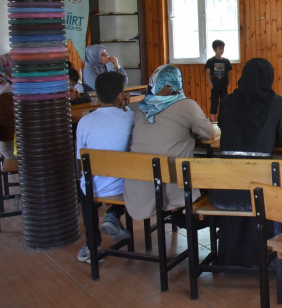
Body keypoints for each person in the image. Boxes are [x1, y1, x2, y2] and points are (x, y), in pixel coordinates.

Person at [209, 58, 282, 266]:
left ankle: (231, 255)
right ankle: (276, 255)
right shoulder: (276, 102)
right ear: (268, 77)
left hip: (225, 192)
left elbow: (225, 129)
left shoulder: (226, 102)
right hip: (263, 192)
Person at [123, 65, 214, 221]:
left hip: (138, 189)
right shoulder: (186, 105)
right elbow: (208, 133)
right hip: (173, 189)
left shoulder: (141, 108)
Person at [75, 71, 134, 263]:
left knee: (84, 187)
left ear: (97, 95)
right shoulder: (130, 118)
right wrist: (125, 109)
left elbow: (79, 161)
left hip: (94, 186)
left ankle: (93, 246)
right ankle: (112, 215)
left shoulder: (84, 122)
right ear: (121, 95)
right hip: (123, 189)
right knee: (130, 176)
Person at [205, 39, 233, 122]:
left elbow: (229, 73)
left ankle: (224, 119)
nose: (222, 50)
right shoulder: (210, 61)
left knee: (224, 102)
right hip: (215, 86)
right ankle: (214, 120)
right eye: (220, 48)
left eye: (223, 48)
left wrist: (228, 83)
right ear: (214, 49)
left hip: (223, 86)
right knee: (214, 102)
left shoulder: (226, 61)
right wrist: (211, 85)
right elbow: (207, 74)